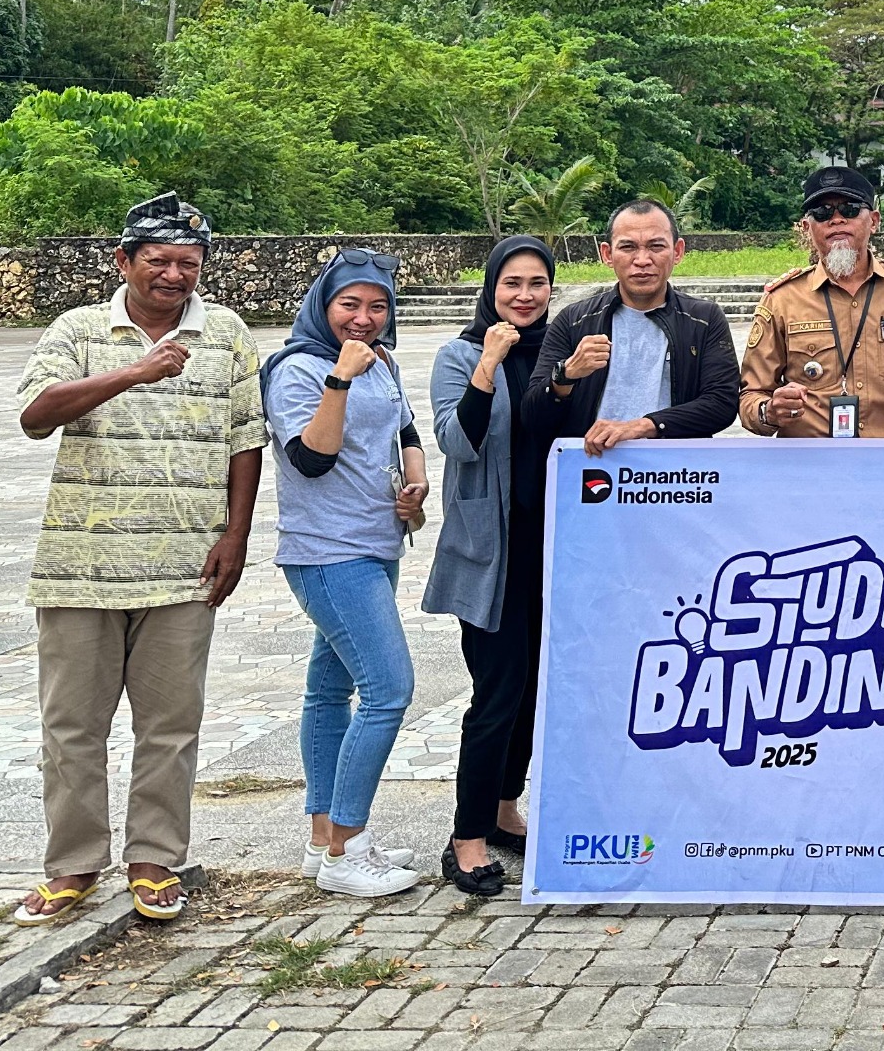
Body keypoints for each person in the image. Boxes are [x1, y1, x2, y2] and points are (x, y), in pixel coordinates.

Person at [12, 193, 262, 927]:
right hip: (79, 567)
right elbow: (35, 415)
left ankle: (155, 860)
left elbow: (247, 438)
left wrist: (236, 535)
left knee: (171, 726)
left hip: (185, 565)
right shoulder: (79, 329)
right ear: (124, 261)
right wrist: (133, 372)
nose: (174, 275)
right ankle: (72, 865)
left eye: (189, 263)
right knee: (71, 728)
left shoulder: (227, 333)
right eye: (158, 261)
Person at [261, 250, 428, 899]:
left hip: (377, 543)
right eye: (349, 304)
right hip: (328, 553)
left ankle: (322, 839)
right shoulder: (297, 369)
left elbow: (405, 429)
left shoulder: (383, 362)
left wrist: (416, 481)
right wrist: (339, 380)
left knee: (328, 692)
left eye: (378, 306)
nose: (364, 318)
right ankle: (348, 849)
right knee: (388, 689)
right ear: (322, 306)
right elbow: (311, 459)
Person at [424, 234, 556, 898]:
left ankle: (505, 811)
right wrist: (489, 364)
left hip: (556, 550)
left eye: (537, 284)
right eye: (512, 283)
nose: (524, 296)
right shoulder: (459, 354)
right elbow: (458, 440)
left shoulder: (560, 352)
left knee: (534, 693)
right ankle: (466, 838)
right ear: (491, 288)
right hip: (492, 554)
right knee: (497, 695)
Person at [521, 200, 743, 456]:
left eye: (656, 246)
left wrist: (645, 426)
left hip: (678, 471)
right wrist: (566, 374)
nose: (642, 260)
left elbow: (721, 403)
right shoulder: (575, 320)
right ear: (607, 254)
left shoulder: (703, 319)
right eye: (628, 247)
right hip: (594, 468)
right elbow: (533, 417)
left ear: (678, 251)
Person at [742, 167, 884, 438]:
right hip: (812, 457)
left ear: (874, 221)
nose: (836, 220)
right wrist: (770, 411)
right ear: (807, 228)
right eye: (822, 212)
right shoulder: (782, 299)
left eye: (850, 209)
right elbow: (751, 396)